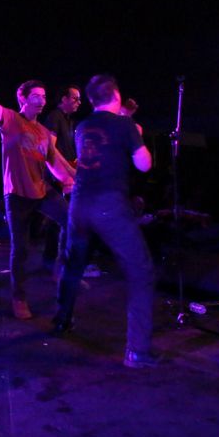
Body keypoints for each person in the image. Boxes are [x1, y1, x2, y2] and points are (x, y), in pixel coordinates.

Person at [51, 75, 157, 368]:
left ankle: (61, 321)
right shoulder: (125, 125)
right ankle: (137, 351)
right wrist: (136, 135)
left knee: (73, 265)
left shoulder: (83, 126)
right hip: (109, 206)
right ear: (117, 96)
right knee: (141, 272)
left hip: (79, 205)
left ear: (92, 100)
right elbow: (144, 164)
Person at [0, 50, 74, 320]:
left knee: (71, 220)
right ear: (23, 97)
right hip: (17, 195)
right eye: (36, 96)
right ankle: (19, 297)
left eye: (44, 96)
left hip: (41, 191)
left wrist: (72, 177)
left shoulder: (43, 132)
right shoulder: (10, 119)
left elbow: (55, 164)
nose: (42, 100)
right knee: (21, 249)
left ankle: (58, 267)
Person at [42, 86, 82, 274]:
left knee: (64, 219)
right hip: (58, 177)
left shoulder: (69, 120)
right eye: (75, 98)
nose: (79, 102)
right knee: (59, 219)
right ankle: (53, 261)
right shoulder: (55, 117)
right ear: (63, 99)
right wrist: (65, 172)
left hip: (67, 174)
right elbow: (50, 148)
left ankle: (56, 260)